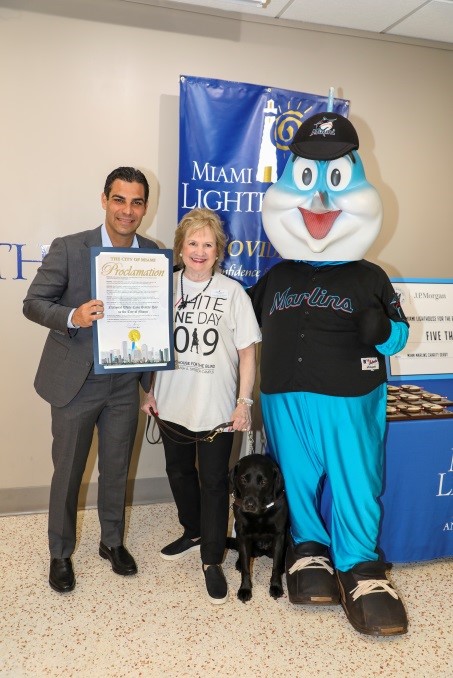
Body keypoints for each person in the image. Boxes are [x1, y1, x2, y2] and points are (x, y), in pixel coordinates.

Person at [248, 112, 410, 636]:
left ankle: (362, 567)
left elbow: (401, 336)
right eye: (306, 182)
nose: (318, 202)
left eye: (335, 181)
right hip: (284, 400)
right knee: (296, 480)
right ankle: (310, 550)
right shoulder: (275, 275)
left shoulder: (371, 277)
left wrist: (380, 328)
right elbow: (237, 324)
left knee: (355, 481)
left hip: (349, 397)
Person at [23, 167, 157, 593]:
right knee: (68, 472)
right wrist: (71, 317)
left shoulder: (153, 253)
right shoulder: (70, 248)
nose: (127, 210)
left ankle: (112, 543)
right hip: (74, 382)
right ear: (104, 200)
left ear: (144, 208)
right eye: (119, 199)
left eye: (136, 202)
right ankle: (60, 553)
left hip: (123, 382)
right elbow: (33, 303)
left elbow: (155, 323)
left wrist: (151, 385)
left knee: (116, 468)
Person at [141, 207, 261, 604]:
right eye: (192, 242)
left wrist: (243, 403)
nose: (199, 250)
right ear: (180, 248)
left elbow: (247, 353)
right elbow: (144, 341)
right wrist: (147, 389)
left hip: (217, 409)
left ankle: (211, 559)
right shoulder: (163, 286)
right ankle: (192, 531)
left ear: (218, 252)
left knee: (213, 484)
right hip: (170, 404)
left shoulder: (233, 294)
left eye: (208, 244)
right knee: (177, 471)